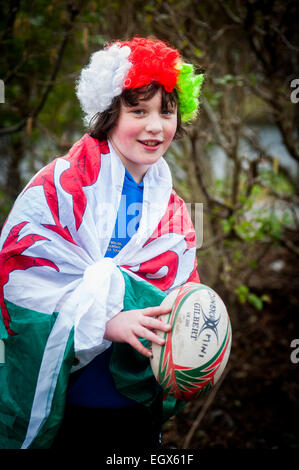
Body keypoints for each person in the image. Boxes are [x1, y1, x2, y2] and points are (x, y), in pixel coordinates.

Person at [0, 37, 204, 450]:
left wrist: (197, 339)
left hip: (132, 407)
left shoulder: (173, 211)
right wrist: (105, 322)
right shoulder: (61, 188)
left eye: (167, 112)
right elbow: (21, 281)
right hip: (72, 404)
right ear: (109, 113)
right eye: (138, 110)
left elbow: (180, 291)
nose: (154, 126)